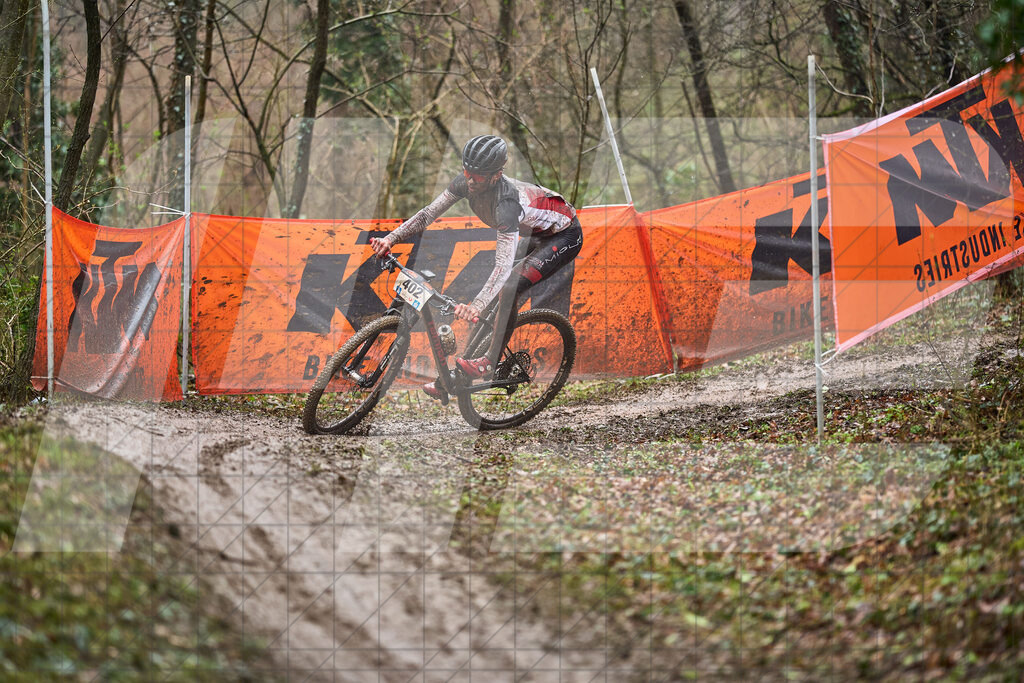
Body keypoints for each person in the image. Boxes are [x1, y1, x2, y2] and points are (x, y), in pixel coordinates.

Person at [370, 134, 583, 398]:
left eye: (478, 177)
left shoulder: (506, 205)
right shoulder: (466, 183)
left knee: (508, 286)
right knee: (489, 299)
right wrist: (390, 239)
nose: (470, 181)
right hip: (533, 233)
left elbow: (503, 266)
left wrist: (476, 306)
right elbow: (427, 214)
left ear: (496, 175)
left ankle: (490, 362)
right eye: (467, 173)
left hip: (563, 235)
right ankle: (451, 379)